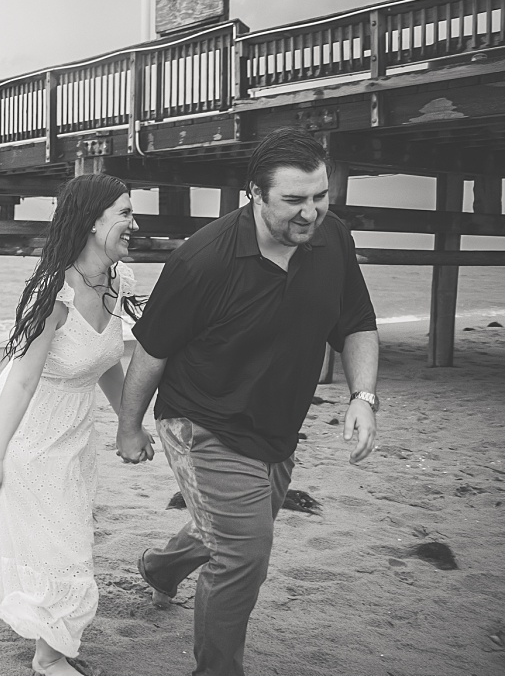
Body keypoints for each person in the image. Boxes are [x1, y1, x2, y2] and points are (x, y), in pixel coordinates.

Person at [114, 130, 380, 676]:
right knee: (243, 554)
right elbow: (152, 349)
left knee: (244, 522)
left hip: (276, 424)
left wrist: (364, 396)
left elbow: (356, 322)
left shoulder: (333, 240)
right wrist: (129, 426)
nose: (311, 213)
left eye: (320, 196)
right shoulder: (202, 261)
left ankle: (161, 570)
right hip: (200, 419)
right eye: (294, 201)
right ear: (254, 195)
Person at [0, 175, 152, 676]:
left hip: (72, 423)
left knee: (57, 527)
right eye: (125, 213)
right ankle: (48, 660)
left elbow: (104, 360)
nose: (134, 223)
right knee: (67, 541)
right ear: (93, 221)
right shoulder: (51, 294)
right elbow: (21, 383)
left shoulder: (118, 281)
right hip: (25, 427)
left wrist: (129, 424)